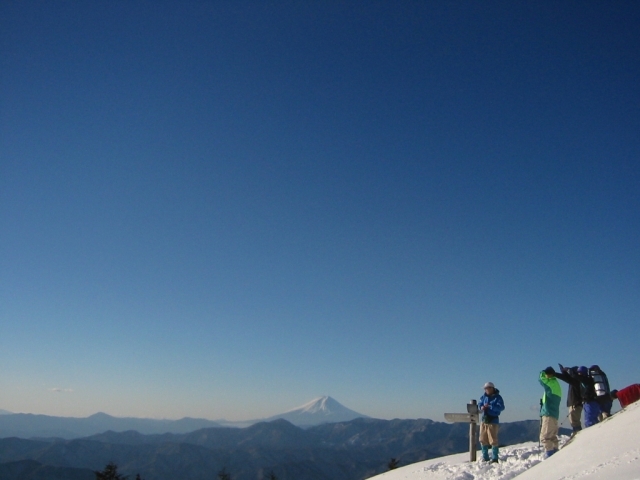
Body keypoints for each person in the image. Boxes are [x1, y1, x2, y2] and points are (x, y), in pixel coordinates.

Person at [478, 382, 505, 463]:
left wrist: (490, 406)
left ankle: (495, 457)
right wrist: (482, 407)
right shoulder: (483, 397)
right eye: (485, 388)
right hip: (484, 420)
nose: (486, 390)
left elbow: (501, 407)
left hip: (493, 420)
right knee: (483, 439)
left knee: (493, 439)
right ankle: (485, 456)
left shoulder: (498, 397)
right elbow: (479, 404)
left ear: (492, 388)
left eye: (487, 388)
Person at [539, 367, 562, 459]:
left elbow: (540, 379)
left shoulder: (551, 383)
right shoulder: (555, 384)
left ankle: (549, 455)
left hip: (548, 413)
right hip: (554, 413)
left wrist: (542, 372)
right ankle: (556, 452)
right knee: (552, 436)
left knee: (545, 436)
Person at [556, 364, 583, 434]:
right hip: (575, 404)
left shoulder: (575, 381)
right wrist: (564, 372)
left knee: (574, 421)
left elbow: (567, 378)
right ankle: (577, 433)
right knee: (574, 421)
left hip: (575, 404)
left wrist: (561, 372)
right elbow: (567, 378)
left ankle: (577, 434)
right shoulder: (577, 381)